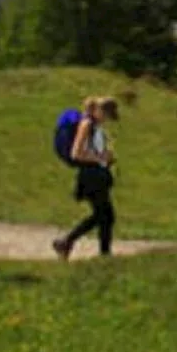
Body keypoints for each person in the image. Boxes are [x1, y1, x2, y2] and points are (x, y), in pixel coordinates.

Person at [52, 96, 120, 260]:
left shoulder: (95, 126)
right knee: (105, 215)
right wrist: (100, 158)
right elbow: (76, 153)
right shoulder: (86, 124)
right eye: (107, 115)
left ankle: (71, 243)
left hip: (96, 175)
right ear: (100, 111)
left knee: (105, 215)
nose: (107, 120)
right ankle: (69, 242)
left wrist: (107, 157)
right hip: (90, 176)